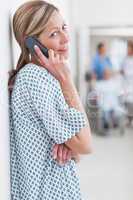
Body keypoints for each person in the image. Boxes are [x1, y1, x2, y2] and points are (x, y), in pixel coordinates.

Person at [8, 1, 92, 200]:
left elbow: (78, 153)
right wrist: (68, 80)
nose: (66, 38)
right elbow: (86, 144)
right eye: (54, 34)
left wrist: (70, 144)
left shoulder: (46, 77)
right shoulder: (35, 78)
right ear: (32, 43)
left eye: (64, 28)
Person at [121, 40, 133, 126]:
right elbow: (122, 69)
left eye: (129, 48)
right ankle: (129, 119)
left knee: (130, 101)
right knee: (126, 102)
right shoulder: (125, 58)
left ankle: (130, 119)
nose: (127, 49)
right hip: (125, 84)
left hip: (131, 83)